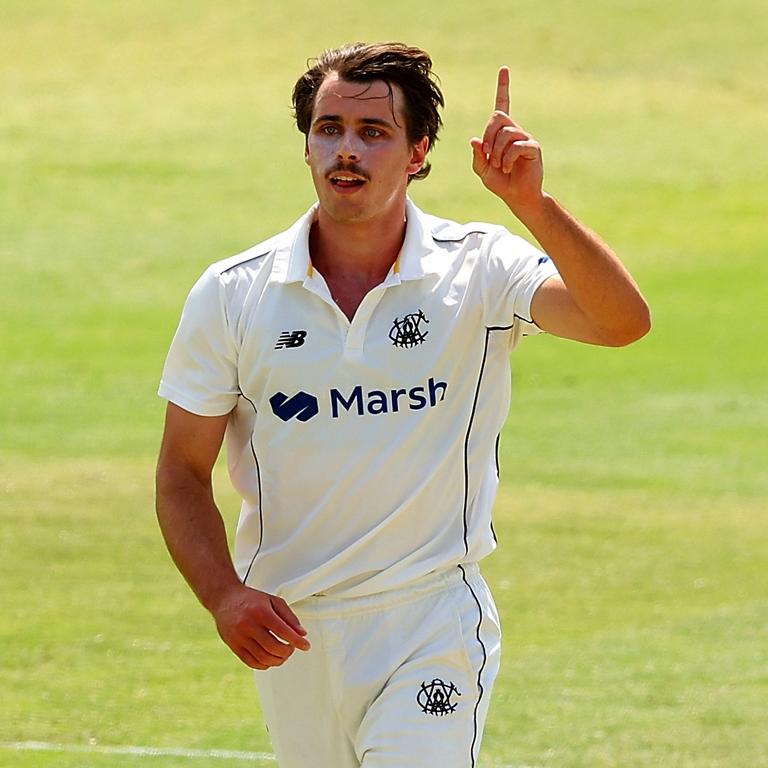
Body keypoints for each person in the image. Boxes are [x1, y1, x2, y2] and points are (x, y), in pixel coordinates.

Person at [155, 42, 650, 768]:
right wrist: (223, 595)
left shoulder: (480, 267)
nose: (346, 151)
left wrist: (532, 206)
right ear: (306, 145)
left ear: (419, 152)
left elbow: (619, 323)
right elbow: (180, 471)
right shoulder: (233, 294)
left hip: (431, 624)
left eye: (373, 133)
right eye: (329, 129)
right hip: (296, 630)